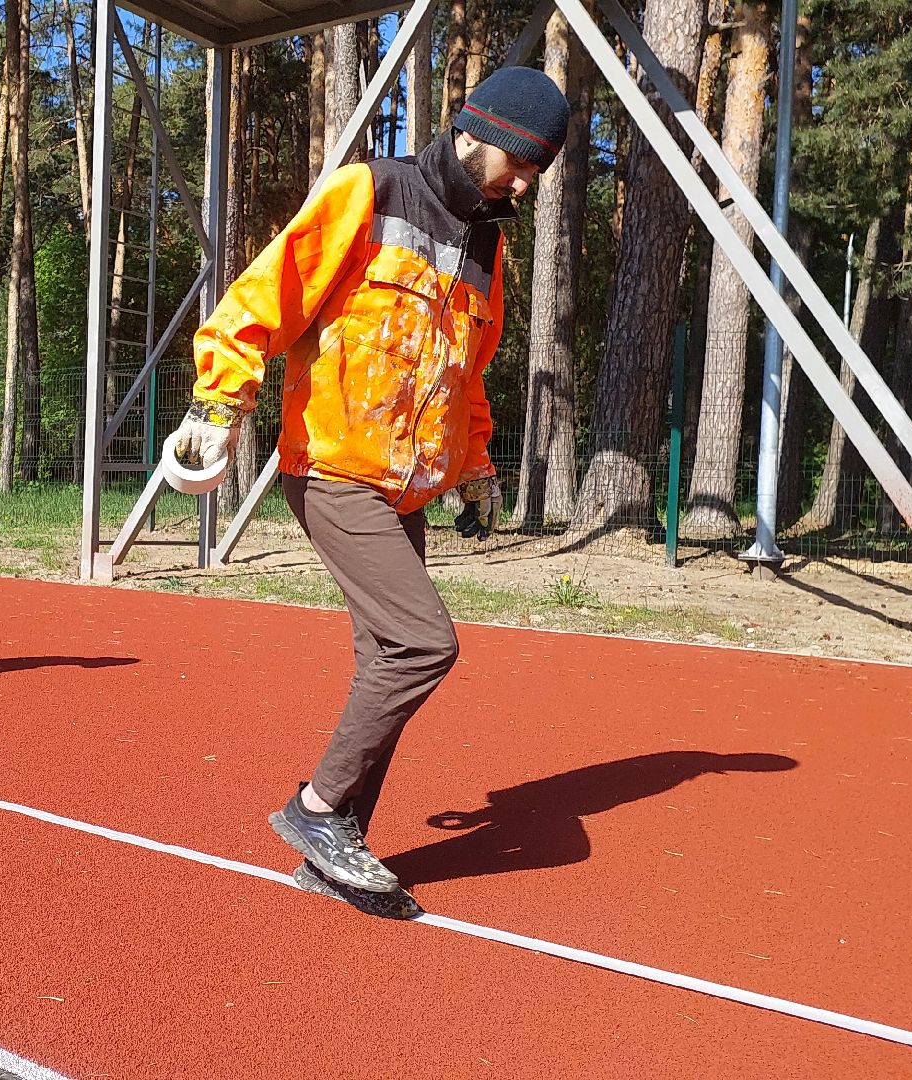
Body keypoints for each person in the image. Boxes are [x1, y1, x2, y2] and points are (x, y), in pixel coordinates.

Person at [171, 68, 570, 918]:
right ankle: (316, 813)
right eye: (523, 161)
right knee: (425, 645)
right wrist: (219, 398)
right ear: (477, 132)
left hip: (408, 488)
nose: (527, 182)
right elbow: (264, 294)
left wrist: (475, 469)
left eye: (541, 169)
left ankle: (334, 854)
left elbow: (467, 377)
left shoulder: (485, 245)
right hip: (332, 466)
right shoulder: (371, 190)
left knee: (387, 660)